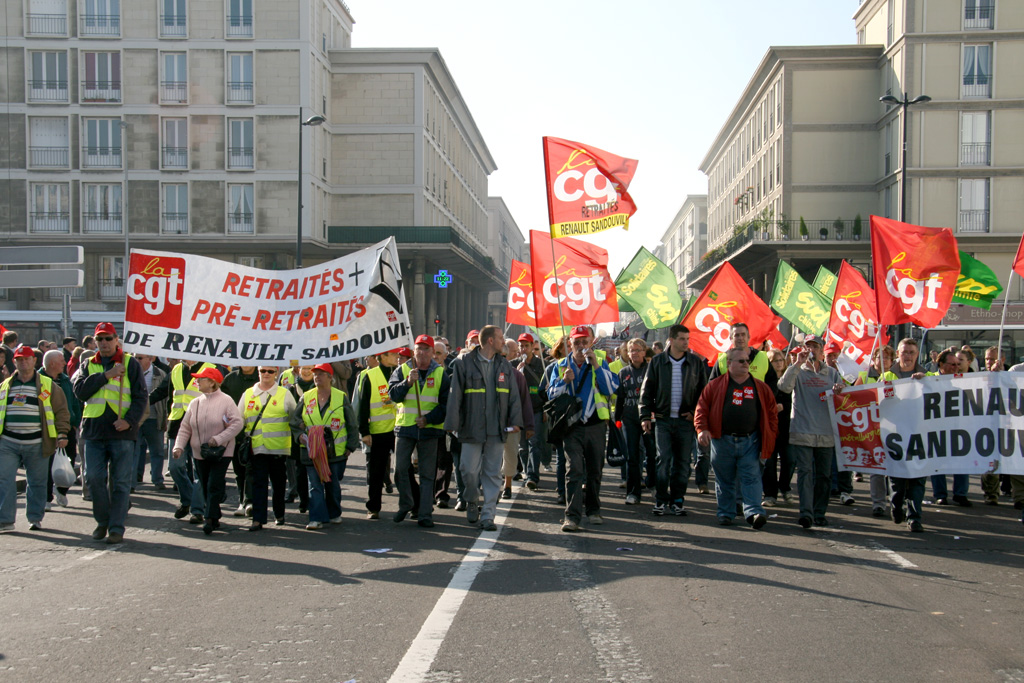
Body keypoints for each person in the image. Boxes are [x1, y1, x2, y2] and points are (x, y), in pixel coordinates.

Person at [72, 323, 148, 543]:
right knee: (94, 478)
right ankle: (102, 521)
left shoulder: (130, 364)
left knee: (121, 482)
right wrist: (108, 375)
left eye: (108, 339)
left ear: (117, 340)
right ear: (95, 342)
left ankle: (116, 527)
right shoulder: (87, 364)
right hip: (94, 431)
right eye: (100, 339)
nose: (104, 343)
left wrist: (130, 421)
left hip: (121, 432)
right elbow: (80, 391)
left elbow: (141, 397)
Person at [445, 325, 523, 531]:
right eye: (500, 338)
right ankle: (471, 500)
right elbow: (455, 395)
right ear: (490, 341)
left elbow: (513, 396)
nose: (503, 342)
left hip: (496, 430)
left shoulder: (505, 366)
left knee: (492, 474)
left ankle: (488, 515)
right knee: (468, 471)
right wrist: (452, 425)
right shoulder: (464, 363)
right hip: (471, 428)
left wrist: (515, 421)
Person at [696, 347, 778, 528]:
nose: (746, 364)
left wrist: (769, 436)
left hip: (751, 440)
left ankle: (754, 512)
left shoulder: (760, 387)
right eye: (741, 361)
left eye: (747, 360)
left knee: (751, 477)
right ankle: (726, 513)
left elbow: (771, 414)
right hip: (722, 440)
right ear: (729, 364)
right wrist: (702, 429)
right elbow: (702, 408)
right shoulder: (715, 385)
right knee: (724, 479)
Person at [547, 325, 618, 532]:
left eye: (584, 341)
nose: (580, 345)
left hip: (595, 424)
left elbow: (611, 389)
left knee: (595, 470)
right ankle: (572, 516)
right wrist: (563, 380)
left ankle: (594, 510)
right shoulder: (561, 365)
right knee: (574, 469)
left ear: (592, 342)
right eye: (576, 342)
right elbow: (551, 393)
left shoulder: (603, 362)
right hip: (572, 427)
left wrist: (595, 365)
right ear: (570, 343)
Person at [638, 324, 707, 516]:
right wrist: (645, 416)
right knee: (663, 461)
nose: (686, 342)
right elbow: (647, 390)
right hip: (663, 420)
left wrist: (695, 412)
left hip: (686, 421)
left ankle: (677, 500)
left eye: (687, 339)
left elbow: (704, 392)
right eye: (682, 339)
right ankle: (661, 499)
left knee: (683, 463)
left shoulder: (695, 362)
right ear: (672, 340)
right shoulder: (658, 362)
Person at [0, 345, 70, 532]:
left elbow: (61, 411)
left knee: (37, 482)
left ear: (34, 361)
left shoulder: (48, 385)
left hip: (38, 442)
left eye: (26, 359)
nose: (23, 362)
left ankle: (35, 518)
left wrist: (62, 433)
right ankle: (6, 520)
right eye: (19, 359)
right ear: (14, 362)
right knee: (4, 480)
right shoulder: (6, 385)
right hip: (8, 442)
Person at [149, 357, 228, 524]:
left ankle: (197, 510)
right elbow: (165, 392)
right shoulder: (176, 369)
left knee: (199, 472)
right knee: (174, 467)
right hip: (177, 425)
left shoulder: (212, 367)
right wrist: (142, 401)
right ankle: (187, 500)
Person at [778, 334, 844, 529]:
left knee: (823, 476)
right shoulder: (798, 371)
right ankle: (806, 513)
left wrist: (839, 390)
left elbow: (843, 397)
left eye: (815, 347)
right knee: (806, 473)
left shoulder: (831, 373)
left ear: (822, 351)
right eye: (808, 347)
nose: (812, 351)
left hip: (825, 433)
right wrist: (797, 364)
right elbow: (783, 387)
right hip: (803, 431)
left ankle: (819, 512)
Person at [388, 334, 450, 528]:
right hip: (405, 428)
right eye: (418, 349)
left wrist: (429, 419)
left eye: (426, 349)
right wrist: (406, 383)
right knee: (400, 470)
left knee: (427, 474)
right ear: (414, 351)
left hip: (429, 430)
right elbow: (392, 395)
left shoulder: (440, 373)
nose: (421, 353)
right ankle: (406, 503)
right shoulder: (403, 369)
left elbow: (445, 405)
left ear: (432, 352)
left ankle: (425, 514)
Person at [172, 367, 243, 535]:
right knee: (204, 485)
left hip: (221, 452)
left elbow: (237, 423)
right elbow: (185, 428)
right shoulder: (195, 403)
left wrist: (219, 438)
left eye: (201, 379)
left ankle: (209, 519)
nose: (197, 382)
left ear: (212, 383)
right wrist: (179, 446)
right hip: (199, 453)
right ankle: (215, 513)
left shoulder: (226, 401)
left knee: (213, 484)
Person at [291, 363, 358, 530]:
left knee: (332, 484)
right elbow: (294, 421)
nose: (317, 377)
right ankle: (316, 518)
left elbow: (351, 423)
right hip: (312, 451)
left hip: (335, 451)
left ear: (330, 378)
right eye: (315, 374)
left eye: (321, 374)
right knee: (314, 485)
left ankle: (334, 513)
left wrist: (351, 445)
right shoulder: (306, 397)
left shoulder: (340, 396)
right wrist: (300, 436)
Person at [238, 366, 296, 531]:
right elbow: (238, 418)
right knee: (259, 484)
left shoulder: (284, 394)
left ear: (276, 373)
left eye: (270, 371)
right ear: (258, 372)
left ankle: (279, 514)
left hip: (278, 449)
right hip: (257, 448)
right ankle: (258, 519)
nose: (266, 374)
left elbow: (295, 417)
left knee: (278, 484)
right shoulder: (249, 393)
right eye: (263, 371)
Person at [925, 350, 972, 508]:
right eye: (952, 364)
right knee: (937, 463)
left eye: (958, 364)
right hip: (935, 428)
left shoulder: (964, 379)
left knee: (961, 461)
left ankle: (960, 494)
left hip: (957, 428)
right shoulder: (929, 378)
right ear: (941, 364)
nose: (956, 367)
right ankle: (940, 495)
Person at [358, 348, 401, 519]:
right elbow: (363, 405)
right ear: (382, 356)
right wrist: (364, 432)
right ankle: (373, 507)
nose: (397, 357)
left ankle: (410, 506)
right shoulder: (370, 375)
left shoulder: (401, 372)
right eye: (393, 354)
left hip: (399, 429)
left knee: (403, 470)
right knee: (376, 472)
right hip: (378, 431)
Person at [854, 345, 896, 517]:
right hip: (873, 428)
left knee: (894, 470)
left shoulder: (895, 375)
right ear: (874, 359)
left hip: (893, 428)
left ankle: (895, 503)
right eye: (880, 357)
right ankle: (878, 504)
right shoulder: (864, 376)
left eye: (887, 358)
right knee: (877, 469)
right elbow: (852, 396)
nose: (883, 360)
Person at [616, 338, 655, 505]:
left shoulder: (652, 370)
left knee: (652, 454)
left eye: (638, 350)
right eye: (632, 350)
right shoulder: (623, 373)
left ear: (644, 352)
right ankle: (633, 492)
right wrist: (617, 419)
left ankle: (653, 485)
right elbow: (620, 398)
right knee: (632, 456)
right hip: (629, 418)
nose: (635, 353)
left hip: (649, 418)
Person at [40, 349, 80, 509]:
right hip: (46, 428)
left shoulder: (65, 380)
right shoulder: (38, 379)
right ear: (51, 363)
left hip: (67, 426)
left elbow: (74, 401)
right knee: (47, 463)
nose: (65, 363)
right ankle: (47, 498)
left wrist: (75, 420)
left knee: (70, 457)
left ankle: (62, 489)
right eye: (62, 360)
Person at [221, 365, 260, 516]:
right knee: (239, 471)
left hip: (256, 432)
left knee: (253, 469)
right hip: (235, 434)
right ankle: (242, 500)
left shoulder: (261, 377)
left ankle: (250, 502)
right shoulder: (231, 378)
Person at [761, 348, 793, 507]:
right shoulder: (766, 380)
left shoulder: (791, 379)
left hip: (788, 426)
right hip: (770, 427)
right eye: (775, 360)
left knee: (790, 460)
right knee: (769, 462)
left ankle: (785, 487)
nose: (779, 363)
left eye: (781, 360)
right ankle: (770, 494)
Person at [133, 354, 167, 491]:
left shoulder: (160, 373)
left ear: (150, 359)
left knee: (157, 450)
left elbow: (165, 396)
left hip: (154, 417)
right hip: (135, 418)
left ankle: (157, 479)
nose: (137, 361)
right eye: (135, 357)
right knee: (134, 450)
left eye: (140, 358)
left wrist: (164, 418)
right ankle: (133, 480)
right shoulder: (130, 372)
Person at [517, 333, 546, 491]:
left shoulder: (541, 364)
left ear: (531, 346)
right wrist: (517, 371)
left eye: (526, 346)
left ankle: (533, 476)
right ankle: (526, 471)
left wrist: (546, 409)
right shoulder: (515, 363)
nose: (523, 349)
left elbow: (546, 388)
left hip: (536, 408)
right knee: (522, 445)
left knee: (534, 443)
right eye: (521, 346)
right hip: (519, 411)